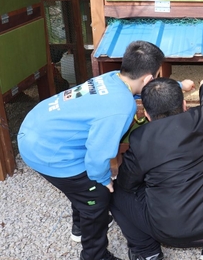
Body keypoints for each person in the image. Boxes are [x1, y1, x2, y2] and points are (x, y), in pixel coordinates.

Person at [18, 40, 167, 260]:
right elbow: (98, 155)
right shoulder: (121, 108)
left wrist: (177, 86)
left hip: (36, 126)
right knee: (96, 195)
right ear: (148, 79)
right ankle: (94, 255)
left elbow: (128, 95)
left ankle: (80, 227)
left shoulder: (111, 78)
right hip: (47, 150)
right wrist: (103, 179)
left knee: (82, 187)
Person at [110, 77, 203, 260]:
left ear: (147, 115)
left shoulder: (140, 139)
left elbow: (127, 182)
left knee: (115, 192)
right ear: (185, 105)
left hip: (168, 232)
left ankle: (147, 252)